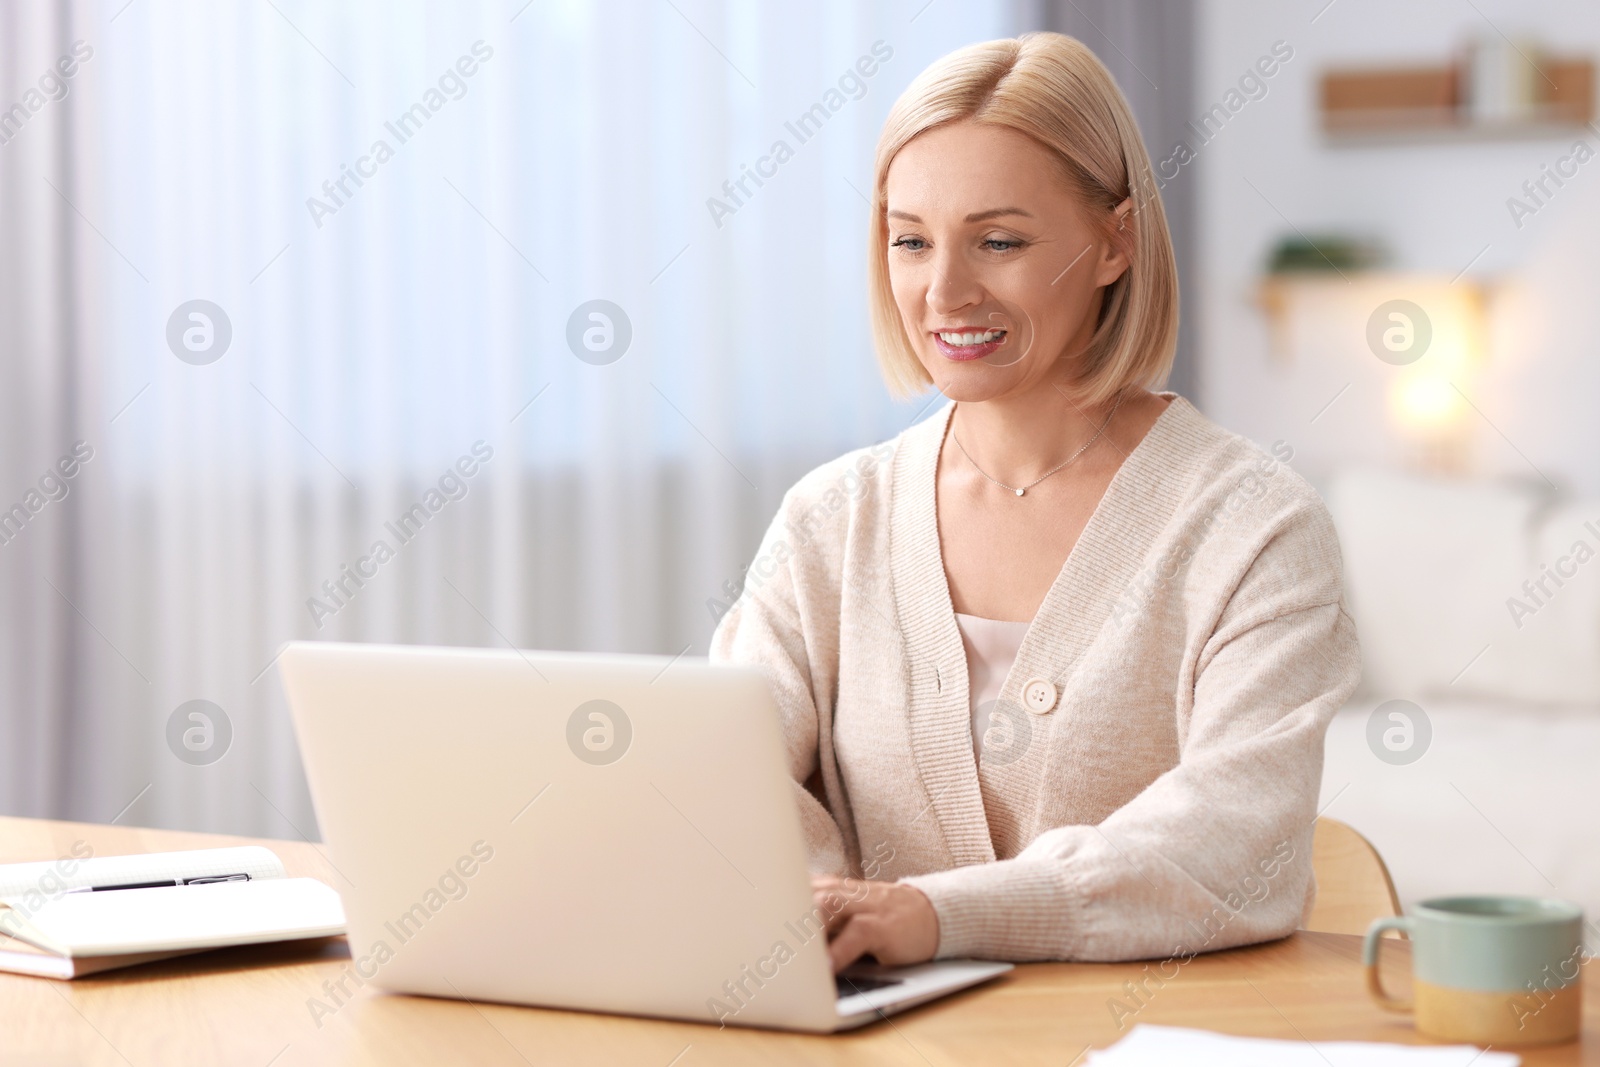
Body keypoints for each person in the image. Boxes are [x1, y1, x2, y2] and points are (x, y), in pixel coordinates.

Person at [710, 31, 1360, 972]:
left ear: (1114, 241)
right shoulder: (829, 519)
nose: (943, 292)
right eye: (910, 241)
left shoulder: (1256, 528)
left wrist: (932, 915)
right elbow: (726, 771)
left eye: (999, 241)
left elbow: (1237, 841)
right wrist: (823, 922)